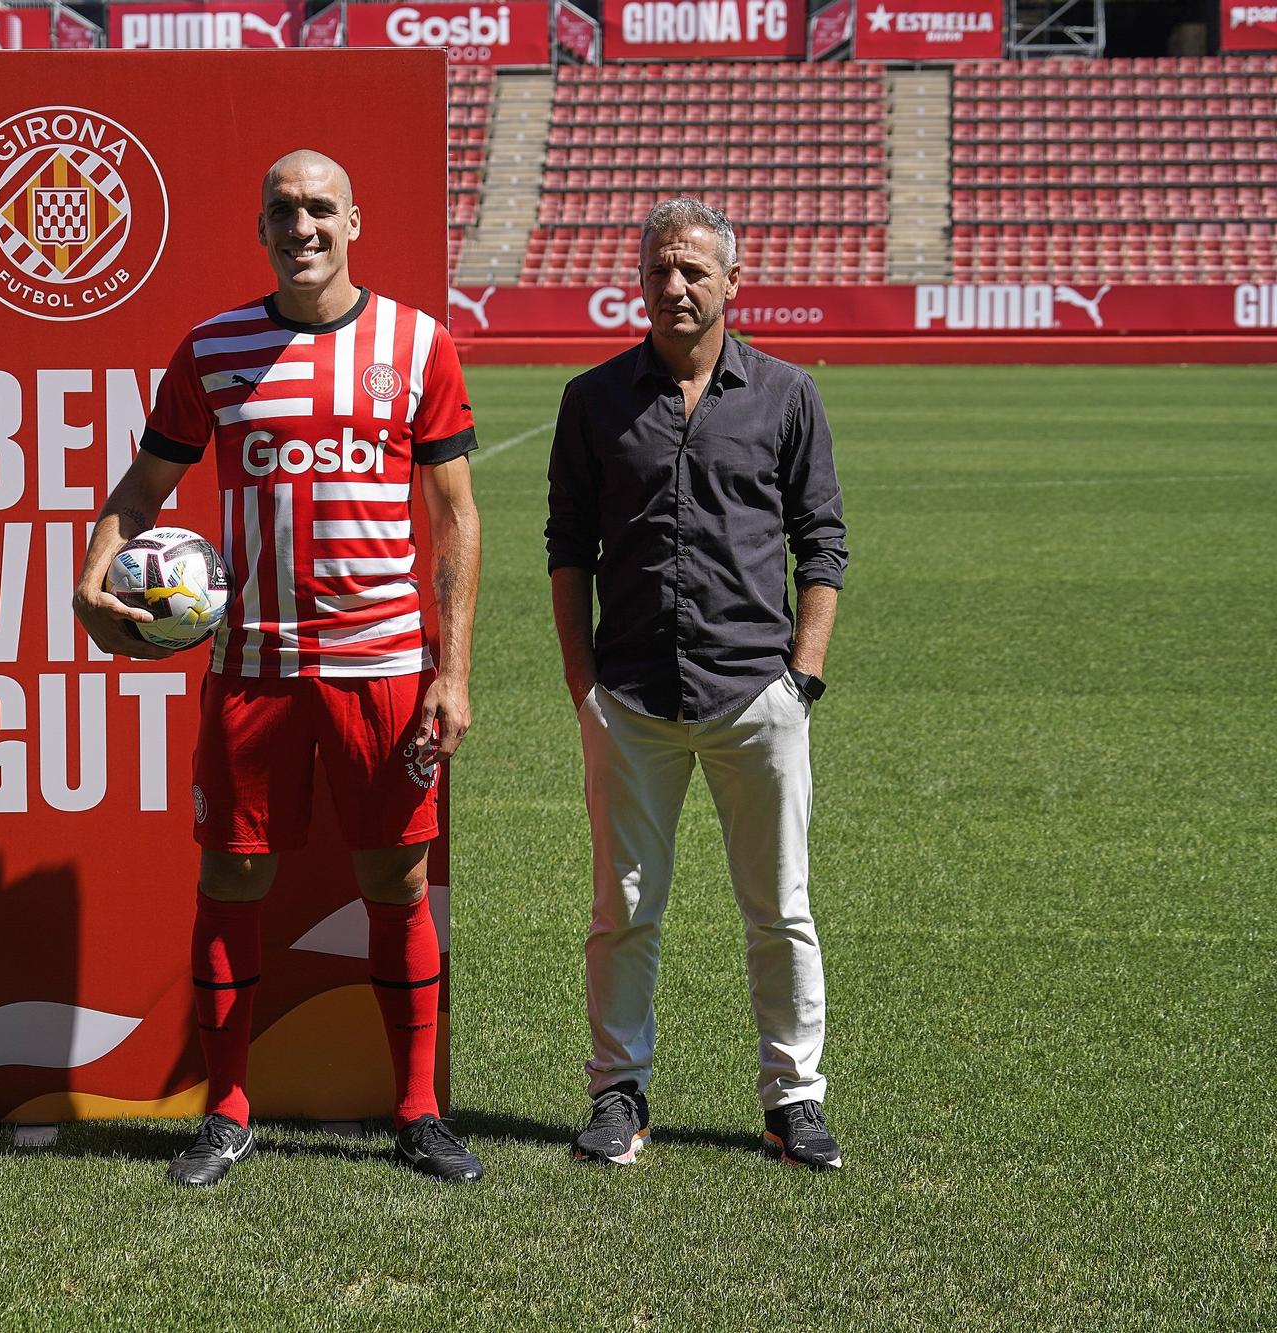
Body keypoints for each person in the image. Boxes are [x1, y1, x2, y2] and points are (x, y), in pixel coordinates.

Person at [73, 149, 484, 1187]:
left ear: (354, 221)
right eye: (279, 211)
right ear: (259, 228)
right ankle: (225, 1111)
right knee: (230, 878)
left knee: (394, 882)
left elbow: (455, 517)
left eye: (316, 209)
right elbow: (143, 484)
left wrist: (453, 671)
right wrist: (89, 574)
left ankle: (419, 1109)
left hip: (383, 666)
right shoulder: (214, 348)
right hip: (253, 669)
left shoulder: (415, 344)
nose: (298, 226)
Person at [545, 198, 850, 1171]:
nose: (673, 288)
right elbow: (566, 550)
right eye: (658, 272)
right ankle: (616, 1092)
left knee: (779, 909)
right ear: (639, 283)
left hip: (754, 695)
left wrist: (800, 675)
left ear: (729, 282)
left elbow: (822, 543)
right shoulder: (591, 399)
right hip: (630, 697)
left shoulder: (785, 394)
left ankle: (791, 1097)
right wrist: (581, 682)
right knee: (622, 910)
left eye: (691, 272)